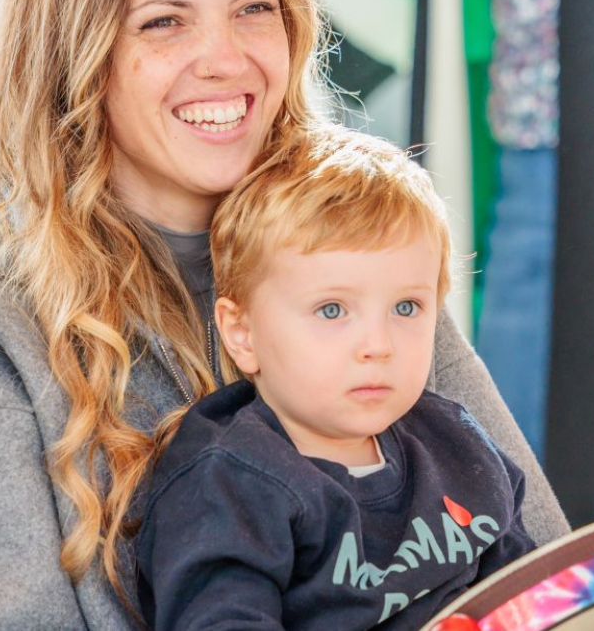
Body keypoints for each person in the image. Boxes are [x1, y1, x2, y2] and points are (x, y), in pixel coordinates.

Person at [0, 0, 572, 626]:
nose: (225, 58)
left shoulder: (361, 264)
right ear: (75, 57)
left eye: (253, 9)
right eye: (164, 22)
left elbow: (564, 584)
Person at [133, 129, 538, 630]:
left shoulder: (456, 445)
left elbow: (537, 596)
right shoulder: (227, 488)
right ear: (243, 334)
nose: (378, 344)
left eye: (406, 307)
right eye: (332, 310)